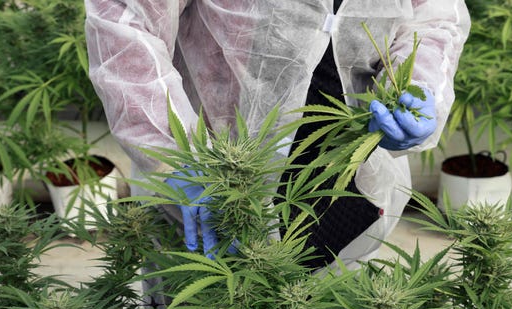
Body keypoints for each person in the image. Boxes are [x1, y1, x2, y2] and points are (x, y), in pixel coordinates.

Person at [84, 0, 470, 269]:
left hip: (349, 196)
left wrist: (421, 84)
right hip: (215, 186)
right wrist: (177, 153)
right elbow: (125, 18)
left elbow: (434, 16)